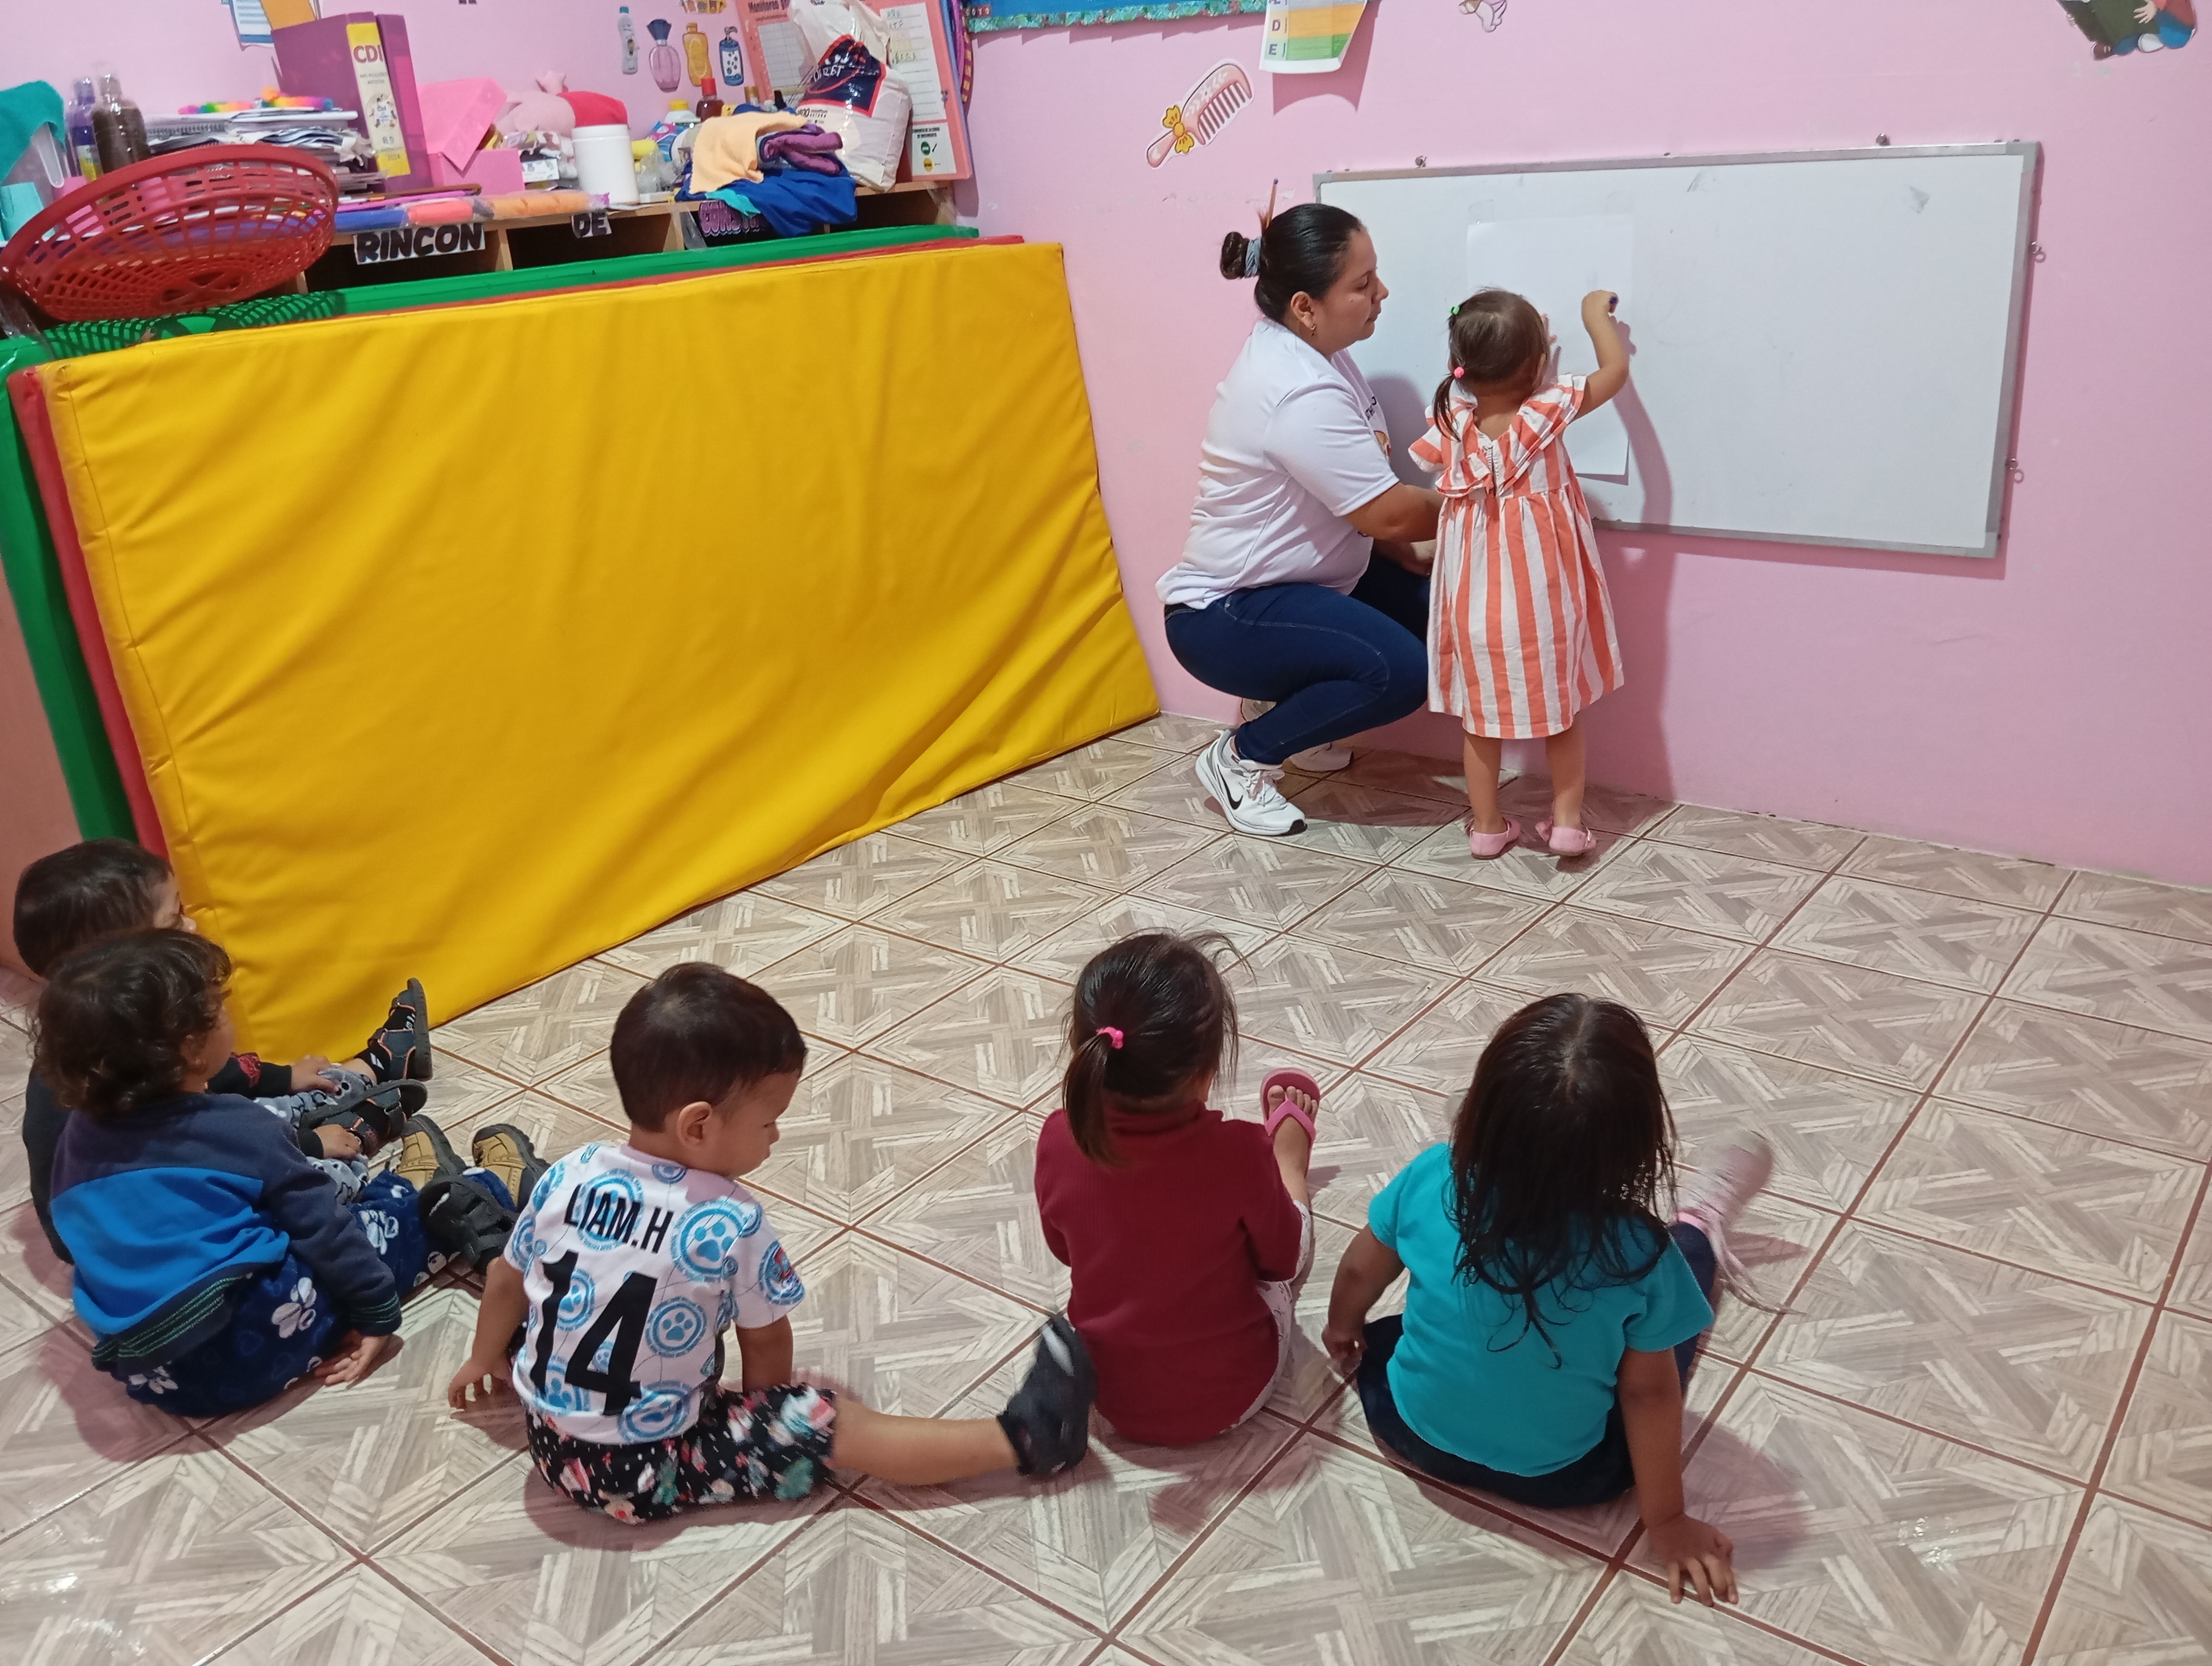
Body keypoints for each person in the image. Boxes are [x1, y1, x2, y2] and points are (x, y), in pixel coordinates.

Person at [445, 962, 1096, 1522]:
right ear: (698, 1126)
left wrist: (482, 1357)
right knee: (836, 1422)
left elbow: (505, 1277)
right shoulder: (731, 1218)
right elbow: (765, 1343)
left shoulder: (569, 1172)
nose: (776, 1137)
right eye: (768, 1122)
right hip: (639, 1474)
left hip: (550, 1443)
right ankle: (1026, 1439)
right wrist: (769, 1417)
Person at [1321, 994, 1771, 1607]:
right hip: (1569, 1479)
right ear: (1635, 1148)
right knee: (1670, 1313)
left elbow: (1358, 1268)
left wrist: (1342, 1326)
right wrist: (1666, 1521)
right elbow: (1648, 1395)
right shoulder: (1638, 1249)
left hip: (1407, 1431)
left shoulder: (1431, 1173)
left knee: (1397, 1332)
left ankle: (1516, 1140)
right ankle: (1699, 1219)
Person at [35, 929, 453, 1415]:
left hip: (157, 1379)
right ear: (192, 1048)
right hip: (247, 1351)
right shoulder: (238, 1126)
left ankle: (364, 1113)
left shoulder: (77, 1136)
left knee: (258, 1202)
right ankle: (458, 1192)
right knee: (378, 1226)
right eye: (219, 1008)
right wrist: (377, 1312)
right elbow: (322, 1227)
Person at [1158, 201, 1445, 837]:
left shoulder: (1321, 352)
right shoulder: (1295, 387)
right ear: (1305, 307)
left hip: (1296, 583)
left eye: (1376, 276)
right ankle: (1243, 757)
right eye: (1363, 284)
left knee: (1438, 608)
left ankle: (1301, 726)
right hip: (1226, 615)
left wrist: (1407, 550)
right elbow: (1386, 510)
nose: (1382, 293)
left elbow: (1355, 504)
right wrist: (1490, 504)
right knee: (1401, 672)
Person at [11, 839, 433, 1255]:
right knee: (311, 1182)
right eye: (173, 920)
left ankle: (373, 1068)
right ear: (118, 959)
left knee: (263, 1110)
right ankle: (369, 1138)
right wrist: (311, 1145)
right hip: (155, 1228)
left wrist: (287, 1078)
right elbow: (213, 1152)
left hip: (178, 1175)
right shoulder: (114, 1078)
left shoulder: (107, 1040)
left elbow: (219, 1088)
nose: (191, 927)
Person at [1032, 933, 1321, 1444]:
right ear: (1206, 1074)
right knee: (1290, 1251)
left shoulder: (1058, 1137)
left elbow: (1064, 1250)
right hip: (1234, 1396)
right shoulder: (1239, 1151)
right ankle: (1291, 1163)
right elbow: (1281, 1261)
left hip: (1110, 1399)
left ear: (1087, 1053)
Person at [1412, 287, 1630, 858]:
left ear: (1458, 365)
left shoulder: (1451, 424)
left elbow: (1436, 451)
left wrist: (1521, 357)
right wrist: (1595, 318)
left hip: (1474, 609)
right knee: (1562, 717)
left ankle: (1487, 827)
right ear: (1537, 366)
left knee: (1480, 724)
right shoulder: (1548, 412)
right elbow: (1615, 372)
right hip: (1544, 607)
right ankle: (1567, 823)